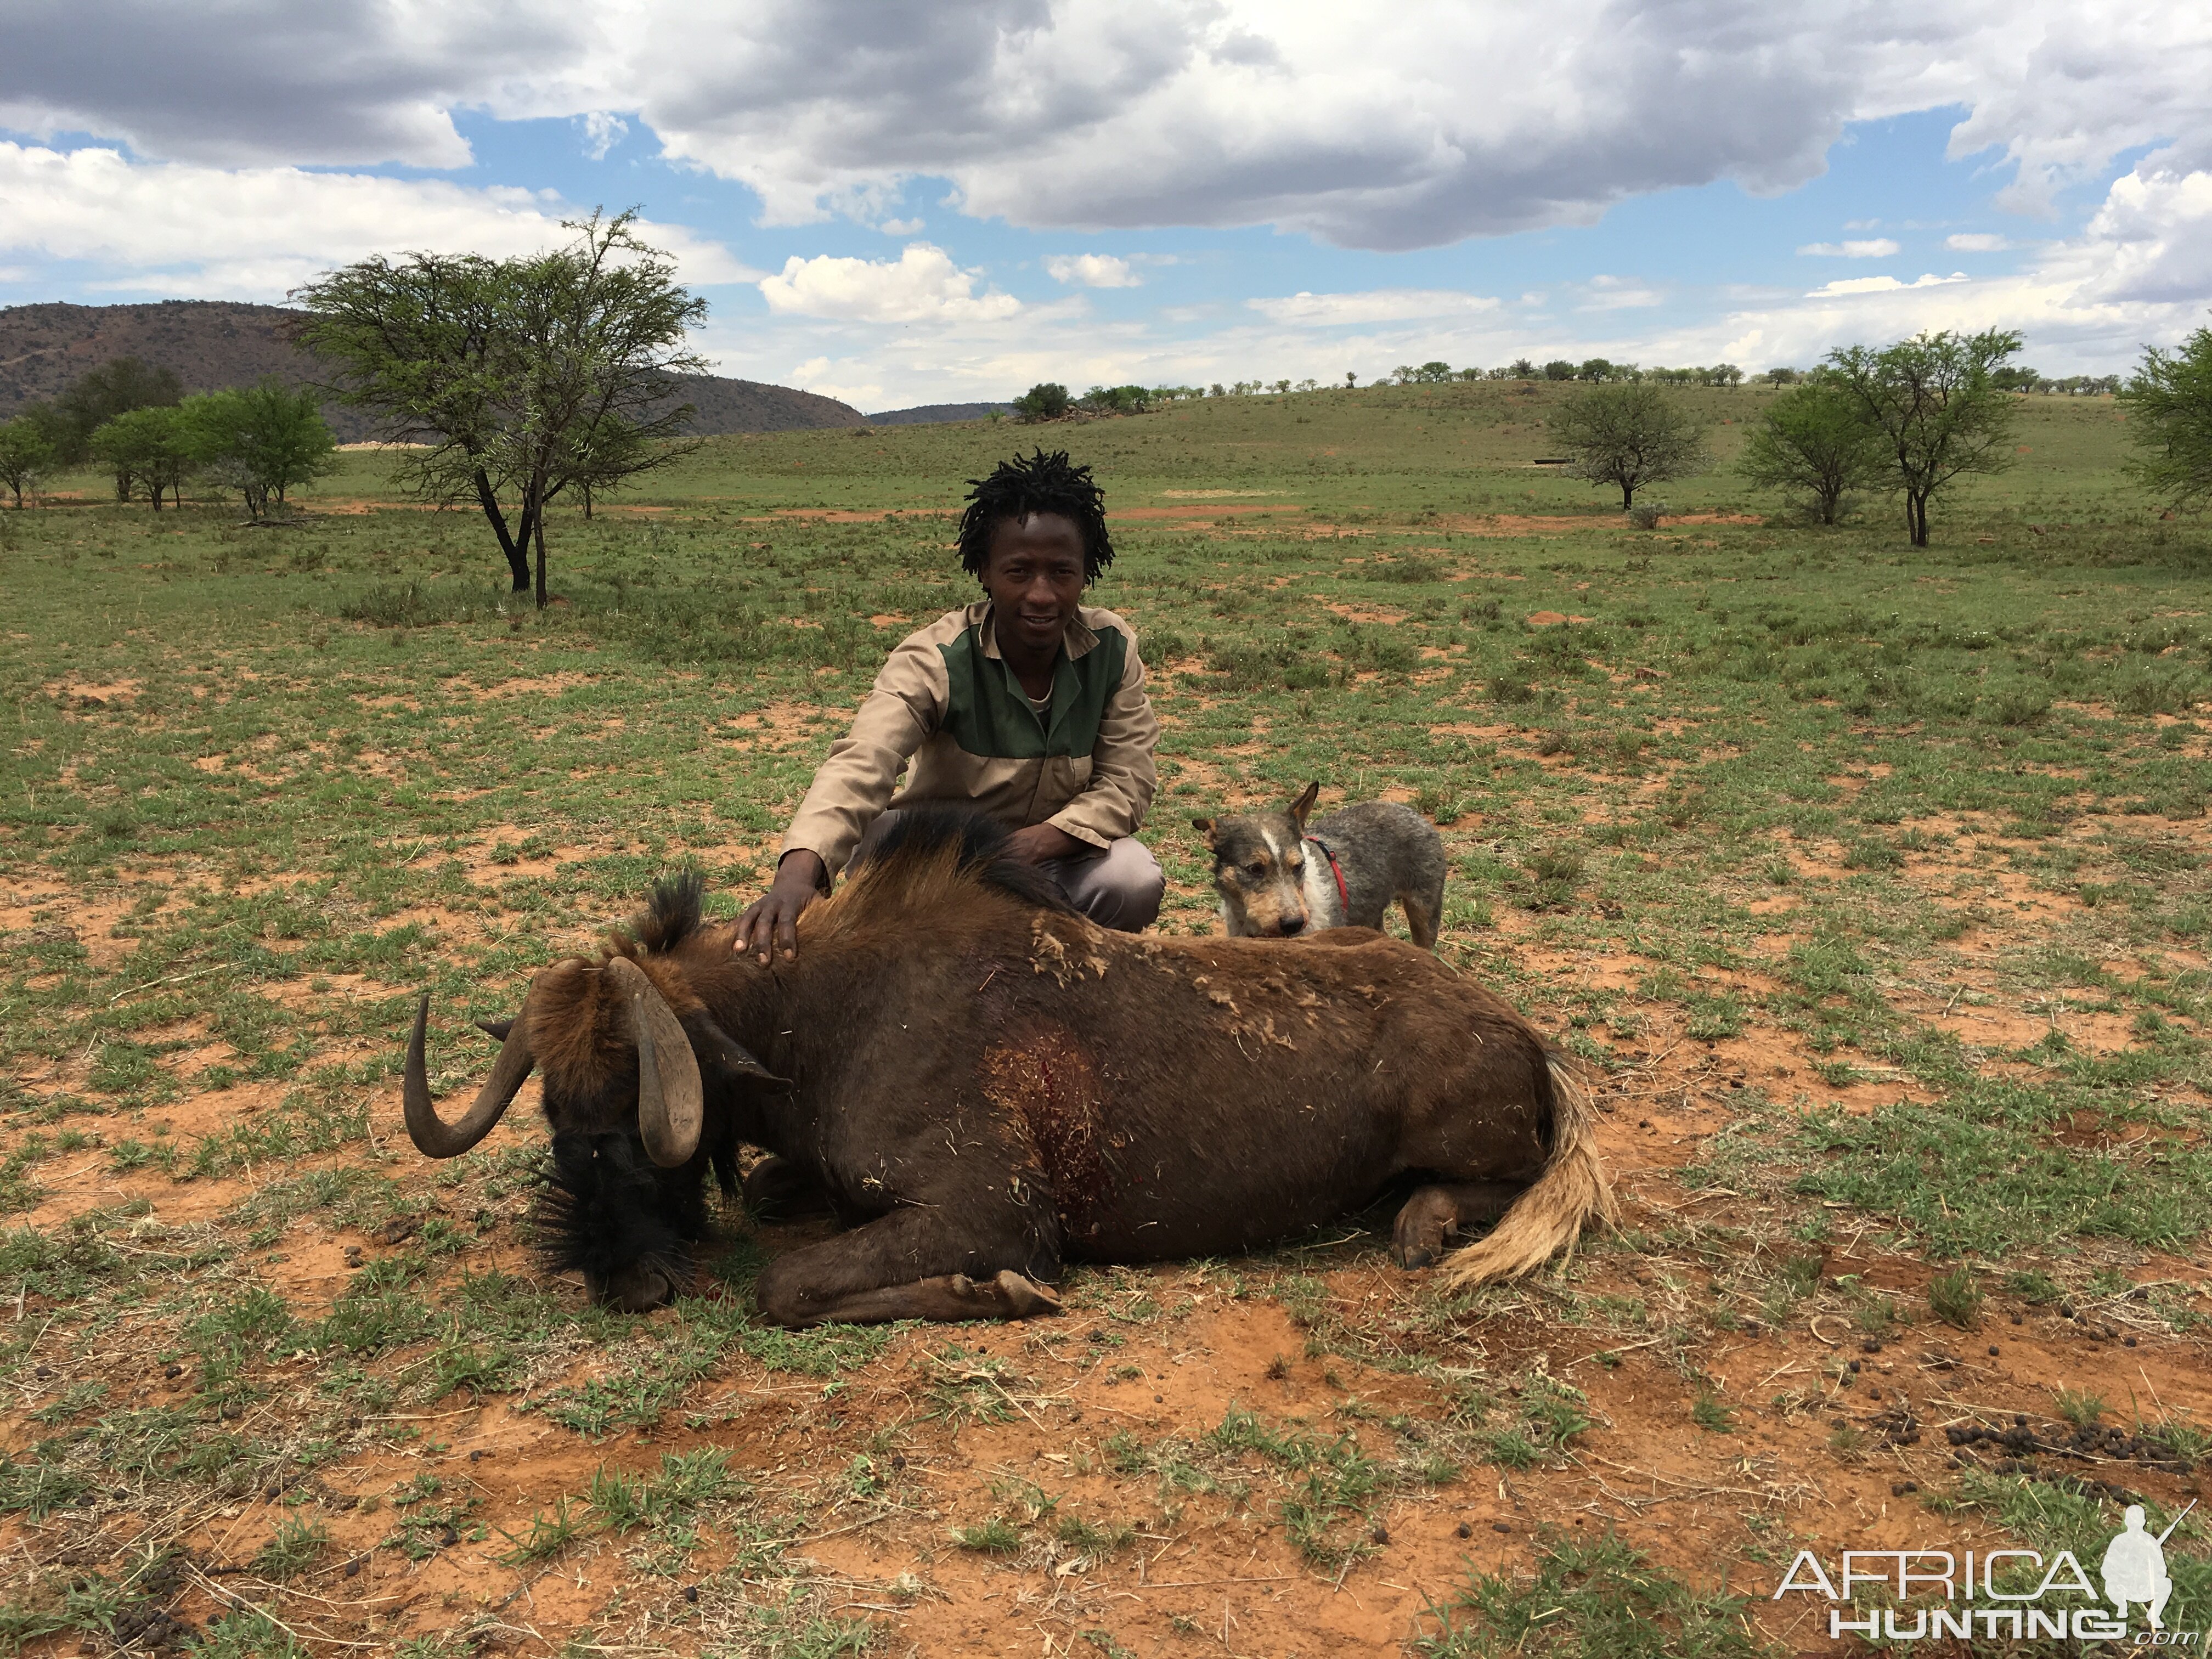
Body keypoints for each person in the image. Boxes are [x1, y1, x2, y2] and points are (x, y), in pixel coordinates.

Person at [735, 449, 1163, 962]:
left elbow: (1127, 782)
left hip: (1054, 853)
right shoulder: (935, 656)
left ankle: (1064, 977)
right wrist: (797, 875)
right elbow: (863, 761)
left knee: (1132, 878)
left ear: (1086, 573)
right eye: (1019, 571)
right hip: (941, 854)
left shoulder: (1111, 648)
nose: (1042, 595)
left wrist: (1033, 846)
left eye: (1062, 572)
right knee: (880, 841)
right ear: (984, 570)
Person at [2101, 1504, 2174, 1629]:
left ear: (2144, 1522)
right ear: (2127, 1522)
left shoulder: (2151, 1542)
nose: (2135, 1525)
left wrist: (2147, 1571)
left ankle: (2154, 1615)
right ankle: (2122, 1605)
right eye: (2132, 1521)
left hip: (2144, 1589)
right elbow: (2107, 1569)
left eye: (2138, 1521)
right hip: (2123, 1588)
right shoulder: (2119, 1541)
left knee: (2166, 1584)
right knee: (2110, 1584)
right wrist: (2124, 1571)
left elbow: (2162, 1570)